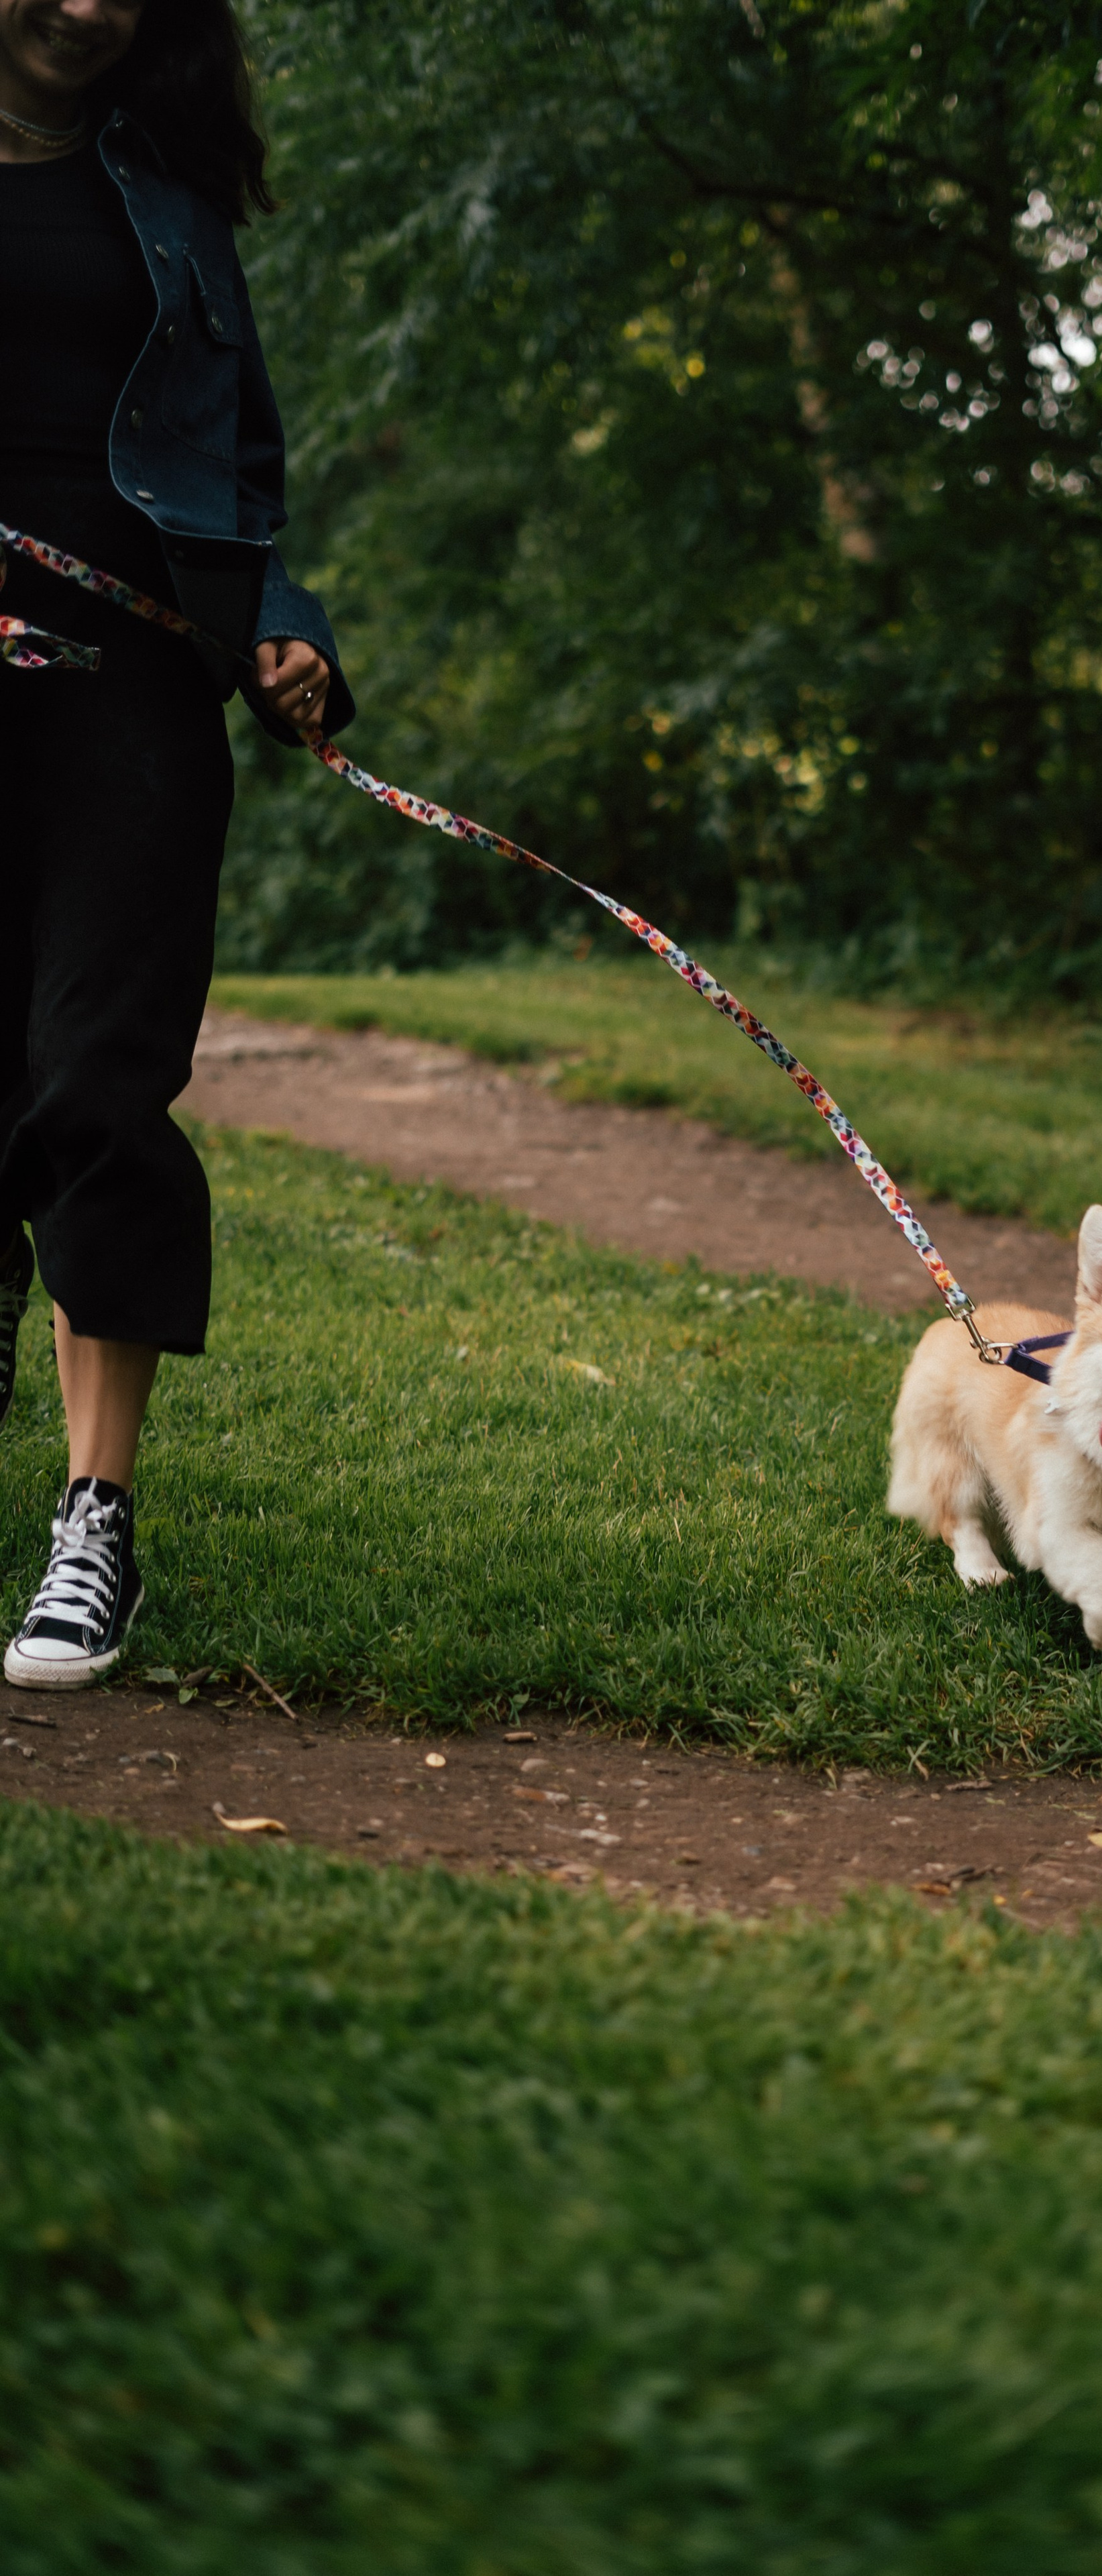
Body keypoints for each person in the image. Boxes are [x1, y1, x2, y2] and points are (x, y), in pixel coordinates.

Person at [0, 0, 351, 1687]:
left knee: (98, 1087)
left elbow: (239, 465)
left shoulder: (167, 191)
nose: (90, 6)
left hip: (133, 695)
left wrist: (282, 625)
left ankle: (97, 1517)